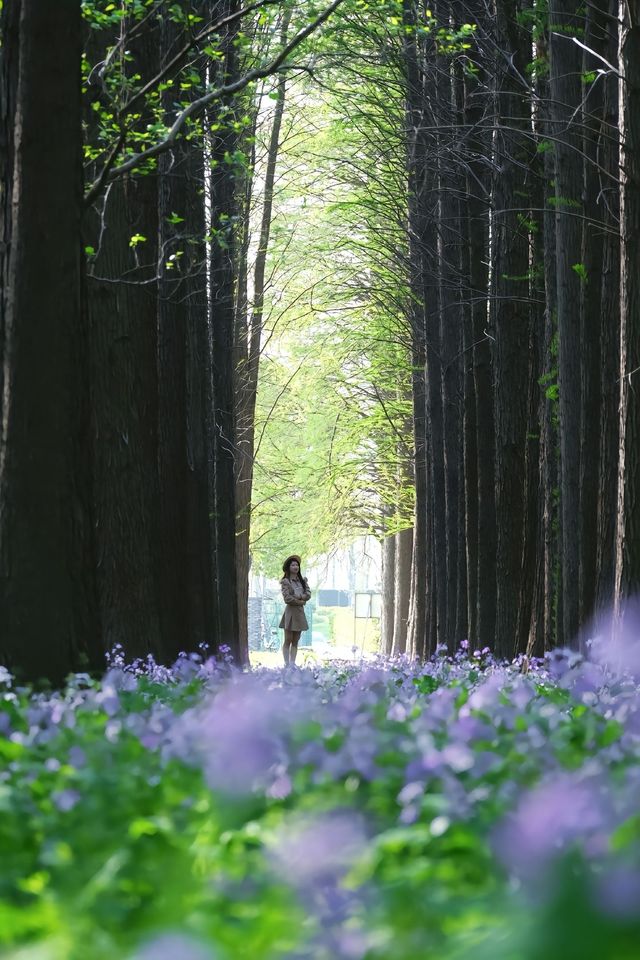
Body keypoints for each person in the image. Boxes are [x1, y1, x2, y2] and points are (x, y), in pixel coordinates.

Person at [279, 554, 311, 666]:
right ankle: (286, 664)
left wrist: (298, 597)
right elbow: (287, 599)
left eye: (297, 564)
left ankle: (292, 664)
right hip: (290, 613)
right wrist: (301, 601)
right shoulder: (285, 582)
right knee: (288, 639)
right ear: (289, 567)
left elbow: (308, 595)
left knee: (296, 641)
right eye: (293, 565)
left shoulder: (302, 581)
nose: (295, 566)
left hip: (300, 613)